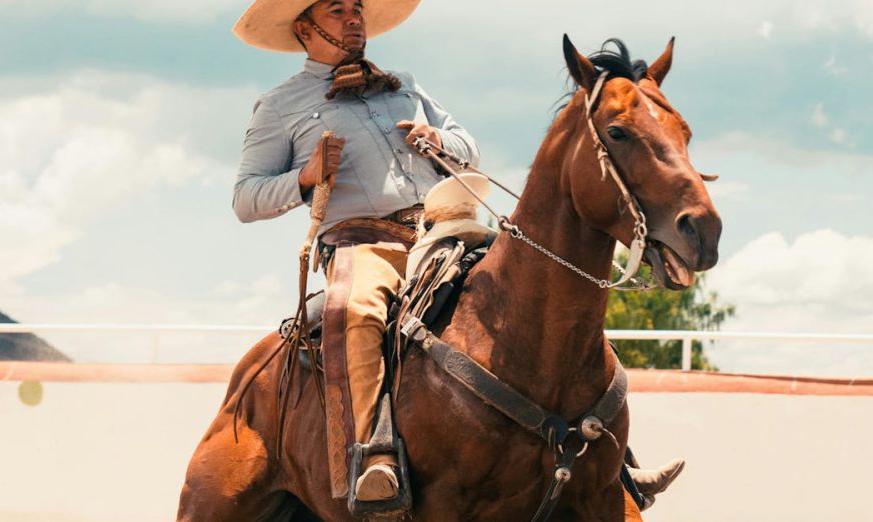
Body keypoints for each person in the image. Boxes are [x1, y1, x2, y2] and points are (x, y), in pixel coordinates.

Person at [231, 0, 683, 506]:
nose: (355, 18)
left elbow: (466, 143)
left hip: (444, 227)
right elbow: (246, 198)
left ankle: (612, 460)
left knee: (544, 289)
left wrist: (437, 138)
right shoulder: (279, 105)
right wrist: (306, 177)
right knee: (357, 311)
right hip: (363, 242)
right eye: (338, 10)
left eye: (357, 8)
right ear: (305, 27)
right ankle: (376, 456)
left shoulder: (403, 83)